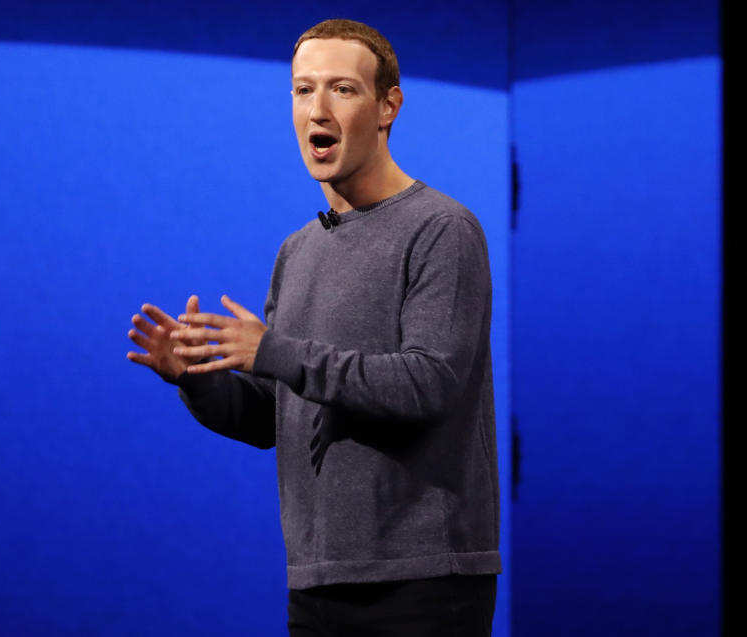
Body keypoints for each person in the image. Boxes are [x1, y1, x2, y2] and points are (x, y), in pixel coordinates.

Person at [127, 19, 500, 636]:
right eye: (303, 90)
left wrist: (275, 350)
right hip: (318, 579)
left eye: (342, 89)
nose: (317, 109)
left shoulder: (442, 230)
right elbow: (271, 418)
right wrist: (195, 378)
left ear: (388, 107)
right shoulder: (296, 253)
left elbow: (428, 383)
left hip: (426, 578)